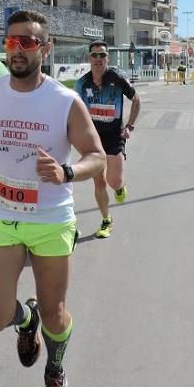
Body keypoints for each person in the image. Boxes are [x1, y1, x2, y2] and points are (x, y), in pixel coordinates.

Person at [0, 10, 106, 387]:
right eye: (11, 42)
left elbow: (96, 156)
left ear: (46, 48)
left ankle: (55, 370)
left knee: (55, 313)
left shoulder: (65, 101)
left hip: (49, 219)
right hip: (1, 215)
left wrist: (66, 171)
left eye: (27, 42)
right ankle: (25, 322)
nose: (18, 49)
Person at [74, 40, 142, 240]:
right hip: (92, 139)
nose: (98, 59)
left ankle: (120, 186)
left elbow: (136, 99)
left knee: (114, 182)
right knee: (99, 182)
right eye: (94, 55)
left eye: (102, 55)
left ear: (107, 58)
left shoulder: (117, 78)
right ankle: (106, 220)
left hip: (114, 136)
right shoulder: (82, 83)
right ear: (89, 58)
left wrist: (129, 126)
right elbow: (74, 108)